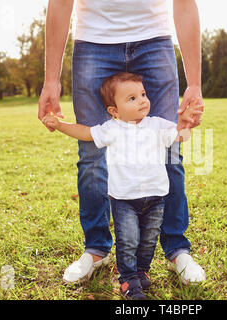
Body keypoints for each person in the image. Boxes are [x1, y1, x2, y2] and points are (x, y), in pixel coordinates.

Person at [38, 0, 206, 285]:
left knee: (169, 152)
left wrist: (195, 83)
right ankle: (96, 248)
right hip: (93, 43)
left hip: (155, 41)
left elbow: (185, 4)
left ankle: (177, 249)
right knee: (91, 155)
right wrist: (51, 79)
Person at [42, 72, 202, 299]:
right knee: (128, 242)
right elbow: (86, 133)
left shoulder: (157, 125)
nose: (142, 100)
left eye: (143, 94)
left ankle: (140, 271)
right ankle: (128, 280)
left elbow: (180, 135)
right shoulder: (112, 129)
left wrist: (187, 121)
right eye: (132, 98)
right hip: (124, 200)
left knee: (148, 241)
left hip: (156, 198)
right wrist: (59, 125)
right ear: (114, 111)